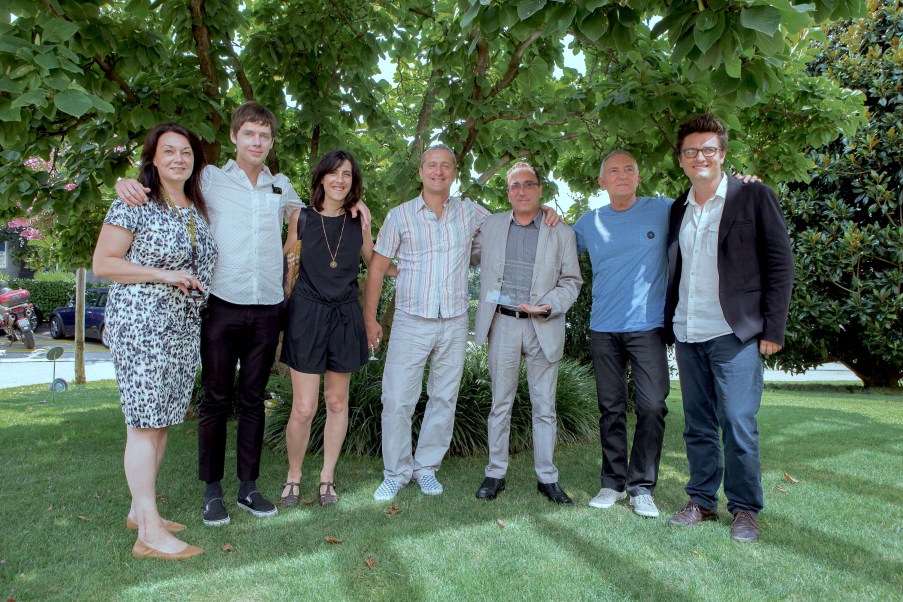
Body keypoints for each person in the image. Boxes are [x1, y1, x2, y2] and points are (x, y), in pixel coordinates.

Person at [115, 102, 371, 527]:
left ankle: (248, 487)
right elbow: (165, 176)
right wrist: (129, 181)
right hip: (220, 304)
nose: (257, 141)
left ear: (271, 142)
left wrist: (359, 207)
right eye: (249, 133)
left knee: (253, 400)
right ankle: (211, 491)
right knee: (216, 400)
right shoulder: (209, 178)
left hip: (268, 307)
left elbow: (319, 209)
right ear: (235, 136)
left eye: (265, 136)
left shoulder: (281, 186)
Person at [363, 144, 558, 501]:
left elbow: (512, 219)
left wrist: (541, 208)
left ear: (454, 172)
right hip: (410, 320)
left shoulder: (471, 214)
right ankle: (396, 472)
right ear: (421, 171)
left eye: (446, 166)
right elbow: (377, 267)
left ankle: (426, 468)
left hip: (453, 321)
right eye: (432, 165)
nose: (439, 171)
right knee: (397, 399)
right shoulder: (400, 216)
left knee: (443, 398)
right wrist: (371, 318)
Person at [664, 114, 794, 542]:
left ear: (722, 153)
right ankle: (702, 501)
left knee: (738, 421)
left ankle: (744, 509)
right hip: (688, 330)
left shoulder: (753, 196)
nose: (700, 156)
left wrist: (772, 328)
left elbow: (780, 264)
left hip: (734, 333)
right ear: (681, 159)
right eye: (691, 151)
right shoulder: (677, 209)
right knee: (697, 424)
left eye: (708, 149)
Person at [94, 122, 217, 559]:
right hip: (141, 326)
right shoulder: (134, 202)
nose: (178, 158)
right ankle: (149, 533)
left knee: (160, 421)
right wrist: (165, 275)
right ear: (152, 158)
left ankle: (138, 509)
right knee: (144, 424)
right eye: (169, 151)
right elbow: (104, 263)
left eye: (186, 151)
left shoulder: (193, 207)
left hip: (180, 329)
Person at [278, 150, 392, 507]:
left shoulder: (359, 222)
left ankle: (327, 477)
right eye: (333, 173)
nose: (340, 180)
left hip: (345, 317)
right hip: (306, 316)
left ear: (353, 182)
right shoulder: (301, 217)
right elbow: (284, 261)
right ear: (321, 178)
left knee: (337, 402)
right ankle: (293, 477)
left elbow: (374, 264)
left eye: (347, 174)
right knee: (304, 407)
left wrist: (411, 268)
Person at [472, 162, 582, 504]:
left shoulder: (560, 232)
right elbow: (462, 251)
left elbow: (571, 281)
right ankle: (495, 473)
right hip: (502, 323)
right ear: (507, 192)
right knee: (499, 404)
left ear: (539, 189)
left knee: (544, 406)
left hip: (543, 326)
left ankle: (547, 478)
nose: (521, 190)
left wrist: (548, 304)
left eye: (528, 184)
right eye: (514, 185)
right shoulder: (490, 225)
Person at [573, 150, 671, 518]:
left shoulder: (662, 209)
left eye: (629, 169)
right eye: (613, 171)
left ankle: (641, 486)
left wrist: (745, 184)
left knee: (652, 405)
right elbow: (555, 249)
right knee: (611, 408)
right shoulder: (588, 222)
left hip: (647, 328)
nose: (622, 175)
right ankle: (613, 483)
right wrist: (548, 216)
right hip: (603, 328)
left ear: (639, 176)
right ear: (602, 182)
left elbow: (704, 201)